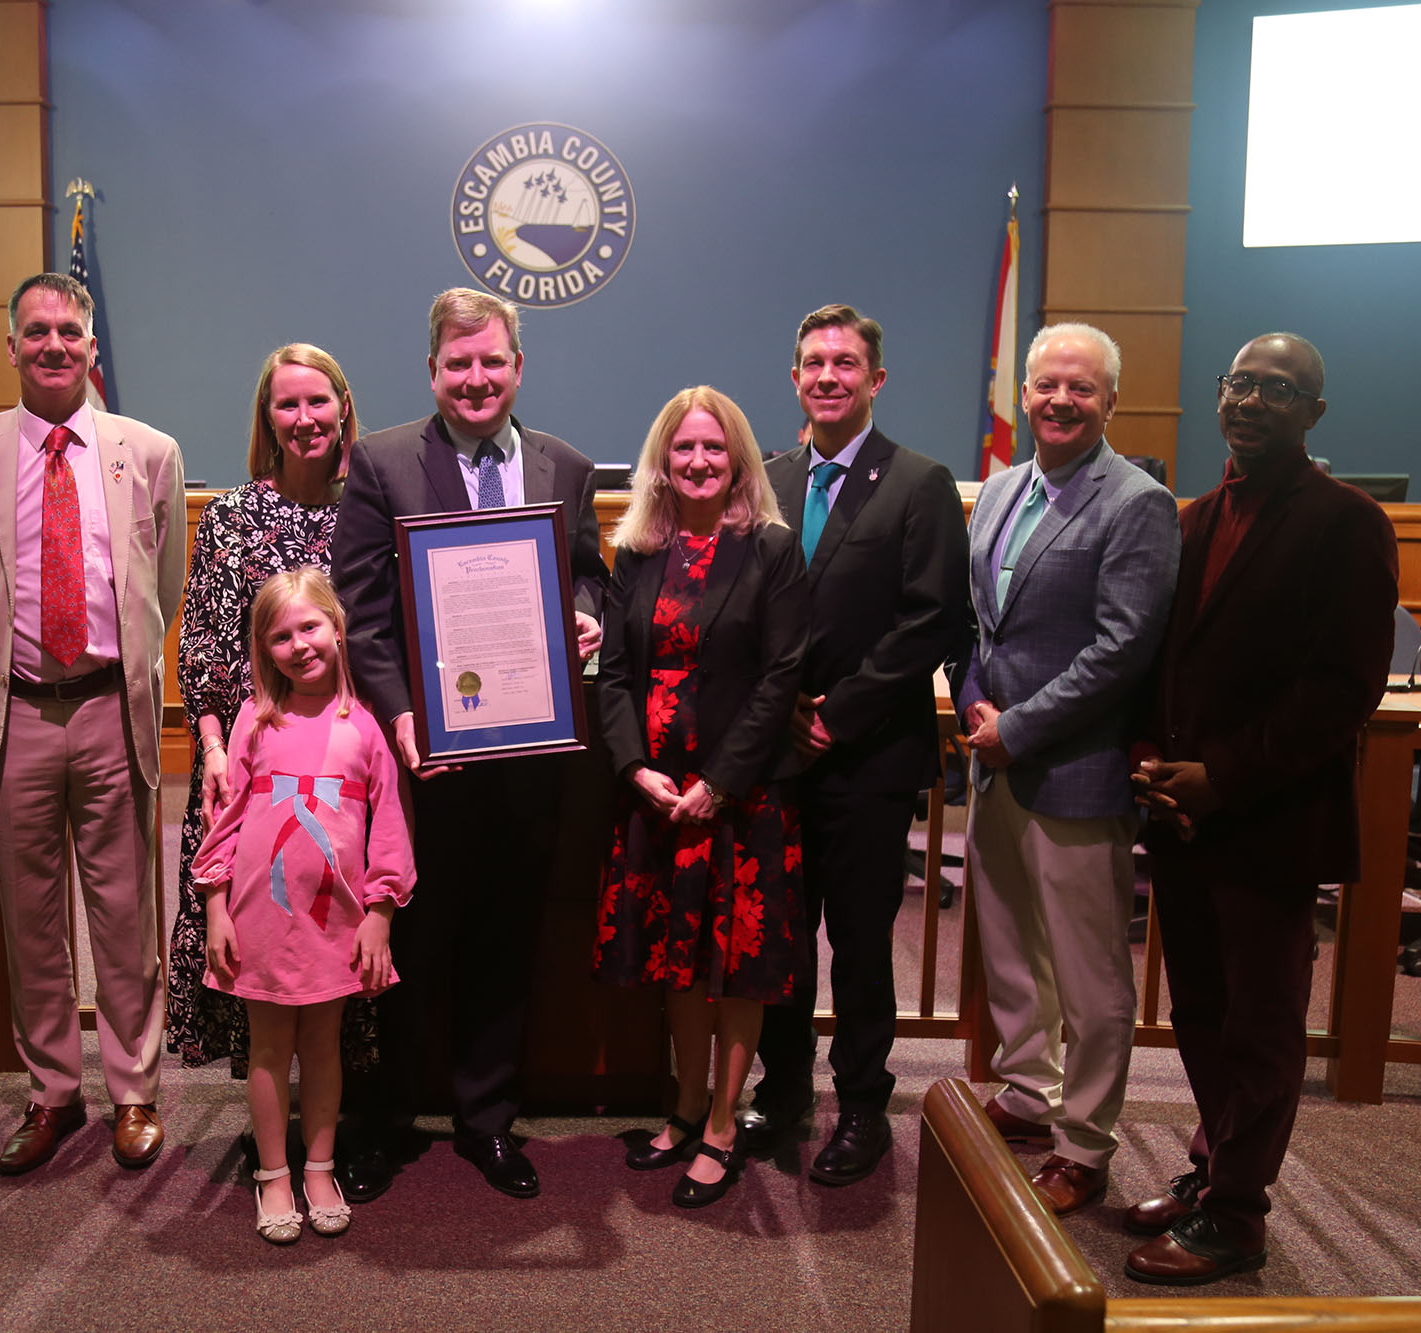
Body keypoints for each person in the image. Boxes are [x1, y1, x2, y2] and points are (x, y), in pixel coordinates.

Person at [1124, 333, 1396, 1284]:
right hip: (1187, 817)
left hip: (1270, 819)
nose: (1254, 400)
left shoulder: (1347, 521)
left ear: (1314, 413)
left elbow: (1342, 687)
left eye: (1281, 390)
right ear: (1218, 394)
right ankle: (1212, 1167)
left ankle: (1239, 1215)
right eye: (1241, 382)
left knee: (1263, 1023)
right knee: (1200, 1009)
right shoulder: (1193, 518)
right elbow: (1167, 658)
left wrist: (1223, 775)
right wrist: (1153, 756)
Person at [331, 287, 608, 1200]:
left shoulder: (566, 467)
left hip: (531, 761)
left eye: (493, 362)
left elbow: (589, 581)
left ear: (518, 367)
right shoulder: (380, 463)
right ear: (433, 371)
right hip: (423, 761)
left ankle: (488, 1122)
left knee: (505, 940)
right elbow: (364, 616)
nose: (477, 379)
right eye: (460, 364)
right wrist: (405, 715)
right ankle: (386, 1122)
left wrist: (585, 618)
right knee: (408, 944)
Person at [0, 273, 187, 1177]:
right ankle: (50, 1089)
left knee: (125, 910)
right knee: (30, 916)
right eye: (35, 331)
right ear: (11, 345)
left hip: (113, 708)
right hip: (16, 712)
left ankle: (134, 1090)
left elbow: (166, 584)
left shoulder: (148, 450)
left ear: (90, 346)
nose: (53, 345)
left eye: (68, 331)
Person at [954, 324, 1180, 1216]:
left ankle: (1084, 1141)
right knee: (1008, 944)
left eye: (1080, 389)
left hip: (1075, 771)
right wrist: (976, 702)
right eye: (1047, 385)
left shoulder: (1137, 502)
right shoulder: (1004, 488)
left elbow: (1124, 649)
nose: (1059, 401)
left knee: (1089, 975)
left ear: (1110, 402)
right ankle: (1026, 1093)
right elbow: (985, 625)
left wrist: (1021, 727)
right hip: (998, 759)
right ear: (1026, 393)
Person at [750, 303, 971, 1187]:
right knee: (782, 936)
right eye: (813, 362)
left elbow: (931, 622)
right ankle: (786, 1089)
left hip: (868, 754)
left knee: (863, 943)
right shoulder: (766, 476)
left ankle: (864, 1108)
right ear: (795, 377)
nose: (828, 376)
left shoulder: (919, 482)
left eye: (845, 363)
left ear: (875, 379)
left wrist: (834, 712)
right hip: (775, 759)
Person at [594, 386, 809, 1209]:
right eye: (683, 448)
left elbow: (783, 673)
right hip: (657, 792)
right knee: (677, 958)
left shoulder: (771, 551)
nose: (697, 462)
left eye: (713, 448)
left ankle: (725, 1119)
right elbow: (616, 671)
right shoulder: (638, 552)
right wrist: (633, 767)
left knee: (737, 968)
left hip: (741, 796)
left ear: (739, 459)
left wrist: (721, 782)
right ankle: (685, 1105)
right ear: (662, 458)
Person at [167, 344, 376, 1084]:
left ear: (343, 407)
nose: (304, 418)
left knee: (345, 925)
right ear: (267, 418)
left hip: (350, 762)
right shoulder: (230, 516)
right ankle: (269, 1110)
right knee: (262, 926)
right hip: (252, 763)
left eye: (318, 401)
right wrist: (215, 746)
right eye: (286, 404)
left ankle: (345, 1115)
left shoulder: (372, 506)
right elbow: (203, 641)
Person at [192, 569, 414, 1243]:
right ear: (265, 649)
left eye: (309, 627)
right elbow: (224, 826)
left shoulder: (367, 729)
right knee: (267, 1048)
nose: (299, 644)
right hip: (261, 920)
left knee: (323, 1046)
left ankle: (319, 1166)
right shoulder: (255, 724)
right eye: (281, 635)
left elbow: (391, 830)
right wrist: (216, 909)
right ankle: (272, 1174)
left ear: (338, 630)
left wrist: (381, 914)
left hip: (335, 924)